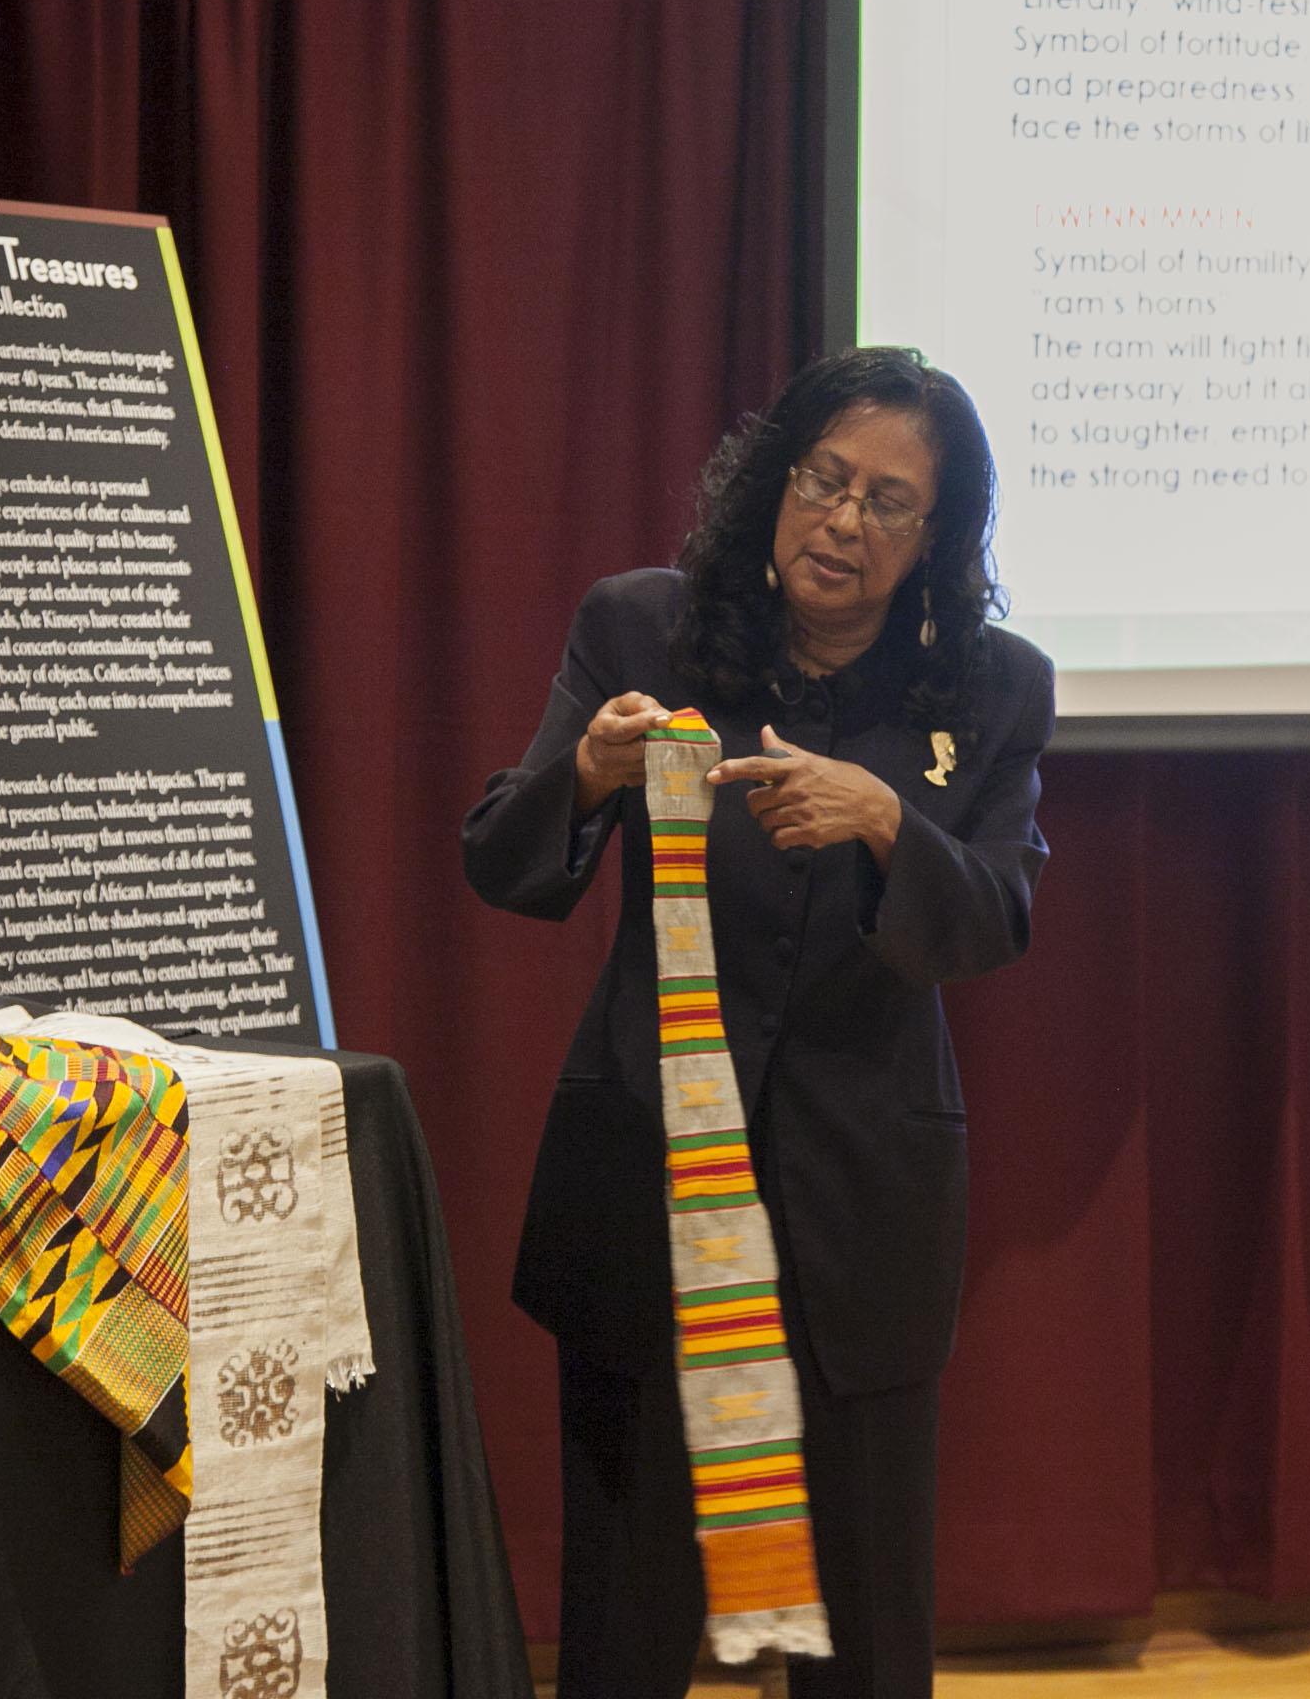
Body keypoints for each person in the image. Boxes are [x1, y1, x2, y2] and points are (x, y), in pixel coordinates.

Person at [462, 347, 1053, 1698]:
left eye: (888, 503)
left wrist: (889, 823)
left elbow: (996, 921)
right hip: (650, 1202)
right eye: (824, 481)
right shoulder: (641, 629)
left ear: (936, 541)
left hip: (864, 1224)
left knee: (862, 1647)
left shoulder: (994, 689)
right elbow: (502, 861)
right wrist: (587, 776)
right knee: (620, 1631)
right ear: (773, 486)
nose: (843, 521)